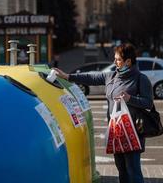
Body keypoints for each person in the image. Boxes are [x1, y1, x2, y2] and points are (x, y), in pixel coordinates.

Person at [54, 43, 153, 183]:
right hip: (116, 132)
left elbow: (148, 103)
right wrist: (68, 76)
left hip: (132, 133)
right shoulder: (112, 76)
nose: (115, 62)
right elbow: (91, 78)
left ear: (128, 62)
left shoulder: (140, 79)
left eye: (118, 59)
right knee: (122, 169)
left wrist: (130, 98)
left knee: (133, 170)